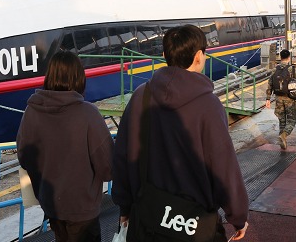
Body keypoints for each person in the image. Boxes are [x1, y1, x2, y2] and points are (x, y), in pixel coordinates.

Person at [111, 25, 249, 241]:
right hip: (193, 225)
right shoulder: (209, 105)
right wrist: (238, 216)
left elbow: (123, 155)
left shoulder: (141, 97)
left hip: (148, 220)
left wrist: (124, 206)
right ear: (199, 56)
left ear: (164, 55)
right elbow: (223, 165)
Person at [17, 51, 113, 242]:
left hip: (52, 206)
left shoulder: (31, 112)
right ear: (79, 78)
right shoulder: (88, 114)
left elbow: (24, 157)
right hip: (83, 210)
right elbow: (108, 168)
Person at [266, 49, 296, 149]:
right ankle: (284, 135)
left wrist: (268, 99)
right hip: (289, 98)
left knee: (281, 120)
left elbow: (270, 84)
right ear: (288, 57)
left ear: (280, 57)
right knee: (292, 119)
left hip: (278, 98)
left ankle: (282, 141)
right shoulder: (292, 69)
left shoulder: (275, 69)